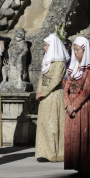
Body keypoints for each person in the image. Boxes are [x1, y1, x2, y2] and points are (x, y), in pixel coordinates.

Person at [64, 37, 90, 177]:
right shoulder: (72, 67)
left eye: (78, 50)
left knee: (83, 135)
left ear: (85, 50)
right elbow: (66, 88)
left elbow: (87, 90)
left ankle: (86, 167)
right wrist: (67, 104)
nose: (76, 52)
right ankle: (76, 165)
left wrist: (75, 106)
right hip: (71, 106)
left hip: (83, 106)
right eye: (74, 50)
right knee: (73, 136)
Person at [35, 33, 69, 162]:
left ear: (52, 46)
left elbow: (55, 80)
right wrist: (38, 91)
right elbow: (42, 78)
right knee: (44, 124)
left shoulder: (59, 62)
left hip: (54, 95)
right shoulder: (46, 60)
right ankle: (44, 152)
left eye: (46, 45)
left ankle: (54, 152)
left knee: (53, 124)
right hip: (44, 97)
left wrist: (44, 92)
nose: (44, 47)